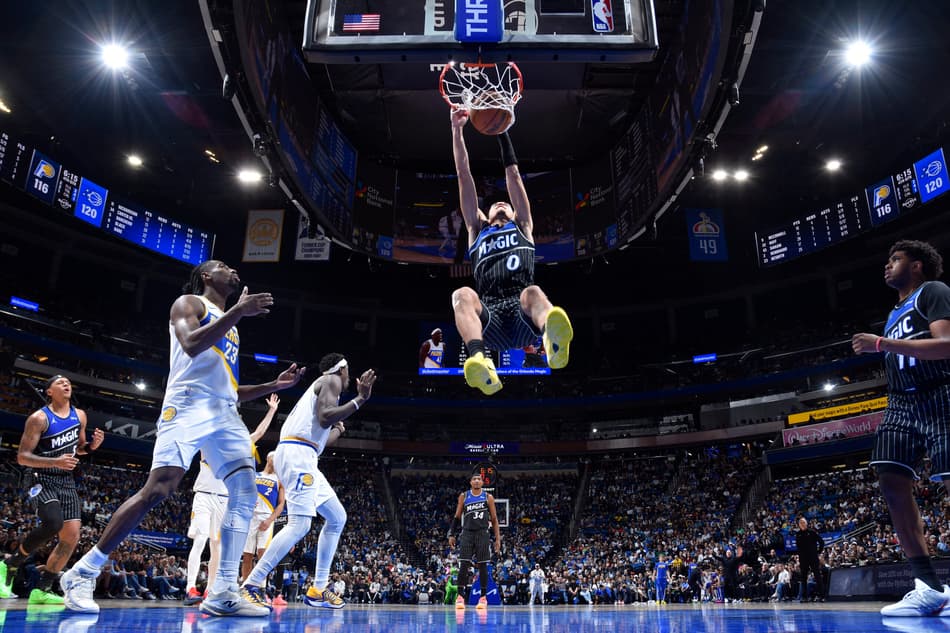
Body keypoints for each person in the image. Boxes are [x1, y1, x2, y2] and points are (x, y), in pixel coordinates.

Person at [61, 260, 305, 616]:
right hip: (189, 403)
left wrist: (274, 385)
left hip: (224, 412)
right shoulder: (188, 304)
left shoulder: (233, 327)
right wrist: (238, 311)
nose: (233, 271)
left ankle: (222, 590)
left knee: (245, 491)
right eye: (224, 266)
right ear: (207, 276)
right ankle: (83, 571)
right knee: (159, 488)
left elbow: (232, 390)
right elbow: (190, 344)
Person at [852, 239, 950, 616]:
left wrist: (881, 343)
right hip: (901, 402)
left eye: (895, 259)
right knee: (890, 479)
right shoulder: (894, 311)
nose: (887, 265)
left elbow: (945, 345)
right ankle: (929, 586)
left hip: (938, 391)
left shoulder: (933, 291)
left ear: (917, 266)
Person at [449, 108, 573, 395]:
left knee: (532, 292)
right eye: (496, 204)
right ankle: (479, 358)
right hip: (489, 317)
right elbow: (463, 175)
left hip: (522, 313)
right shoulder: (476, 229)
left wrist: (502, 130)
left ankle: (551, 342)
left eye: (506, 203)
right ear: (487, 212)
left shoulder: (523, 224)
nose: (501, 203)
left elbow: (513, 174)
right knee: (461, 295)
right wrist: (456, 131)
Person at [240, 353, 376, 611]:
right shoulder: (331, 381)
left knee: (337, 517)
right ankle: (252, 583)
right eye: (348, 371)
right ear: (342, 368)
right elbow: (325, 416)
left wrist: (336, 430)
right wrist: (361, 399)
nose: (348, 377)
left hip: (304, 454)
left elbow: (320, 437)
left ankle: (318, 589)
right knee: (300, 524)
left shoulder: (322, 391)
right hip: (297, 456)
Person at [0, 375, 104, 604]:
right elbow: (22, 457)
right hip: (39, 476)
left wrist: (92, 447)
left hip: (65, 478)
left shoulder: (80, 416)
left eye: (68, 381)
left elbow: (80, 449)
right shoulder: (39, 418)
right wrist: (55, 461)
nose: (66, 384)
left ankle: (43, 589)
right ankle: (10, 564)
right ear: (49, 391)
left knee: (71, 536)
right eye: (60, 383)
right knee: (53, 523)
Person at [184, 393, 282, 606]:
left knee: (217, 545)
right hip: (204, 497)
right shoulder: (209, 441)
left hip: (223, 500)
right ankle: (190, 587)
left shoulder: (241, 445)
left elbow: (260, 432)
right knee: (200, 540)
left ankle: (210, 590)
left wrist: (272, 411)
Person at [448, 472, 502, 610]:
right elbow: (457, 516)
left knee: (483, 566)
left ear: (482, 483)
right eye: (474, 479)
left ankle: (483, 598)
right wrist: (451, 534)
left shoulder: (488, 497)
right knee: (464, 565)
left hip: (482, 533)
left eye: (479, 479)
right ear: (470, 482)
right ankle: (460, 597)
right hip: (467, 533)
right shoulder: (464, 496)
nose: (477, 481)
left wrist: (497, 539)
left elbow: (495, 520)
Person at [240, 451, 286, 588]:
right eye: (274, 456)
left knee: (262, 555)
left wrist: (270, 520)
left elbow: (281, 504)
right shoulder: (255, 475)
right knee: (247, 555)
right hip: (250, 518)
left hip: (266, 519)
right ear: (268, 457)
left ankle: (260, 588)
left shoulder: (279, 480)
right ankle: (245, 587)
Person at [794, 517, 825, 602]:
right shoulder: (798, 534)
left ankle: (822, 596)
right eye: (800, 523)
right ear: (799, 525)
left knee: (817, 576)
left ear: (806, 523)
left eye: (803, 522)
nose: (802, 524)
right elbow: (798, 547)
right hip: (803, 559)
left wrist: (818, 552)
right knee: (803, 578)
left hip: (813, 558)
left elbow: (821, 542)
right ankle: (804, 597)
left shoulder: (812, 532)